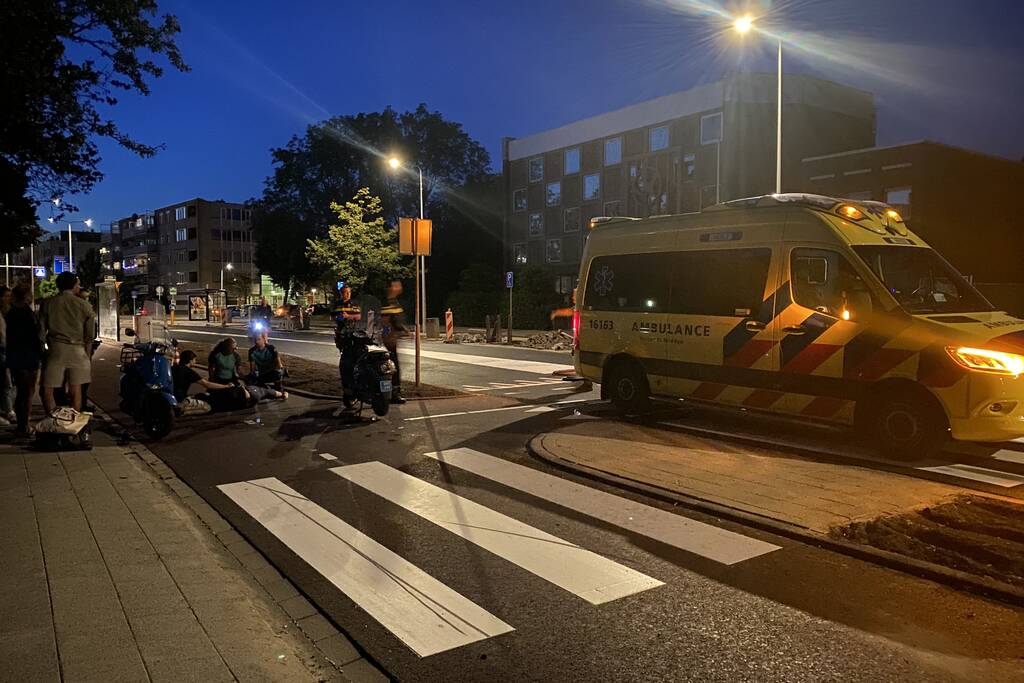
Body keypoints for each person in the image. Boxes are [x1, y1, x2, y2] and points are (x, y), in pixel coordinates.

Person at [39, 272, 95, 415]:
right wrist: (87, 355)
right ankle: (72, 421)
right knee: (75, 389)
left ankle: (54, 419)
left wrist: (43, 350)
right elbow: (89, 335)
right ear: (74, 286)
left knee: (48, 388)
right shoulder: (84, 305)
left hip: (56, 349)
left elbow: (41, 331)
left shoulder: (48, 303)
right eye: (78, 284)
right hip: (78, 350)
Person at [5, 284, 42, 436]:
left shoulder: (10, 313)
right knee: (27, 392)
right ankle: (24, 425)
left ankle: (22, 424)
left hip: (15, 356)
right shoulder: (28, 314)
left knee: (21, 391)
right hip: (28, 356)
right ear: (27, 297)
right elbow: (35, 337)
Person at [332, 283, 362, 404]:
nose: (347, 294)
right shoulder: (337, 304)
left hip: (354, 335)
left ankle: (356, 388)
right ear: (341, 293)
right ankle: (348, 391)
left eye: (349, 292)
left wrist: (348, 316)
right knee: (345, 362)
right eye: (345, 292)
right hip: (343, 336)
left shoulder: (354, 303)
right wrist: (339, 318)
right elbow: (333, 317)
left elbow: (359, 316)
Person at [380, 278, 407, 404]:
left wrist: (403, 329)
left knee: (392, 366)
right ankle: (393, 393)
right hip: (388, 341)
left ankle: (392, 392)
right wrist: (387, 336)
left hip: (392, 339)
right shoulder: (387, 303)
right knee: (391, 367)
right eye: (396, 285)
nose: (399, 287)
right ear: (390, 288)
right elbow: (384, 322)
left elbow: (395, 320)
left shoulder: (394, 302)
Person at [0, 285, 14, 426]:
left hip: (7, 350)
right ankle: (8, 410)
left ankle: (8, 409)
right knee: (6, 382)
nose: (9, 299)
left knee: (8, 382)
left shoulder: (9, 312)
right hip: (2, 349)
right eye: (6, 296)